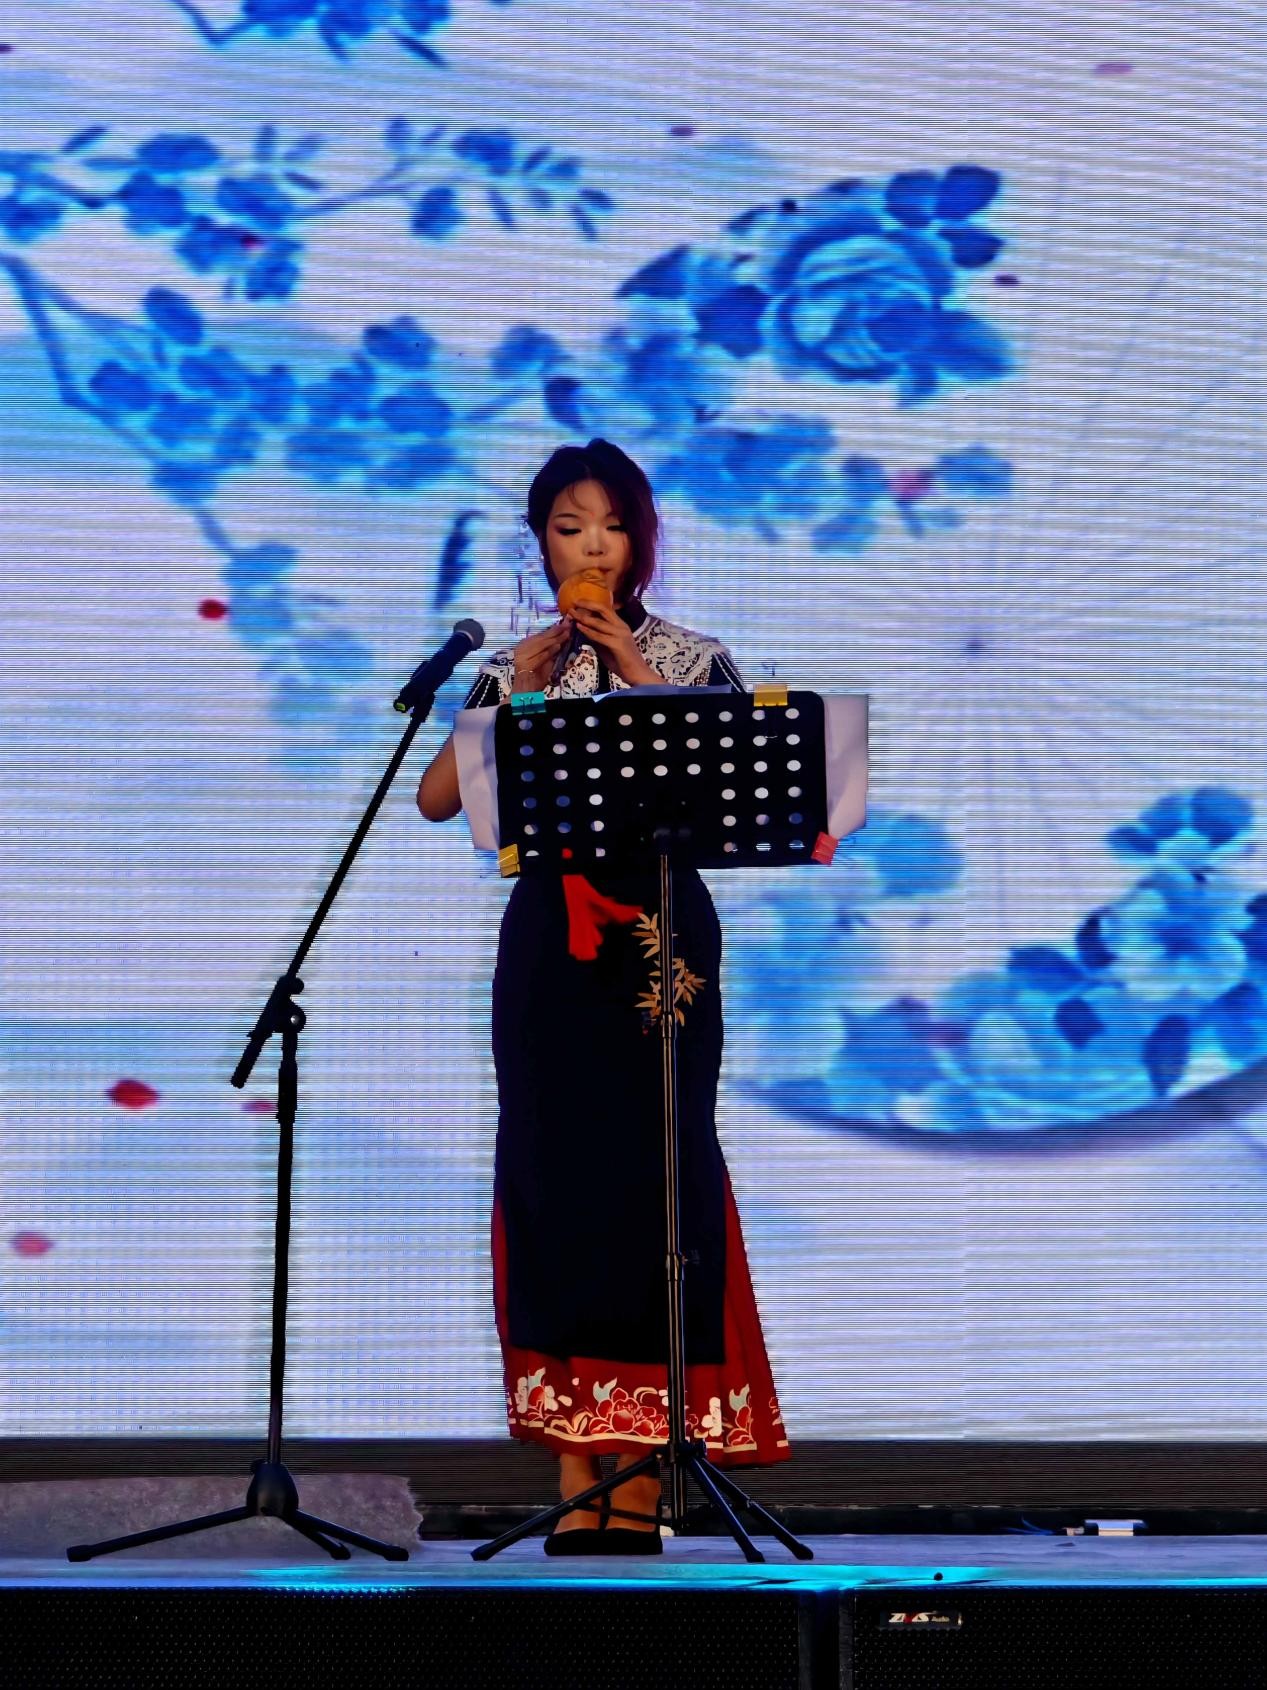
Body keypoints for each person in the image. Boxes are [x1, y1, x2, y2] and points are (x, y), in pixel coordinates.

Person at [417, 439, 789, 1554]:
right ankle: (577, 1467)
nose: (592, 546)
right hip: (549, 943)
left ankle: (646, 1474)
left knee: (652, 1181)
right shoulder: (517, 665)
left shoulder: (689, 655)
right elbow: (439, 799)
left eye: (612, 526)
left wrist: (629, 663)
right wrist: (519, 686)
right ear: (540, 543)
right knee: (552, 1180)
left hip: (656, 936)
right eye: (569, 526)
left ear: (642, 541)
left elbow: (740, 775)